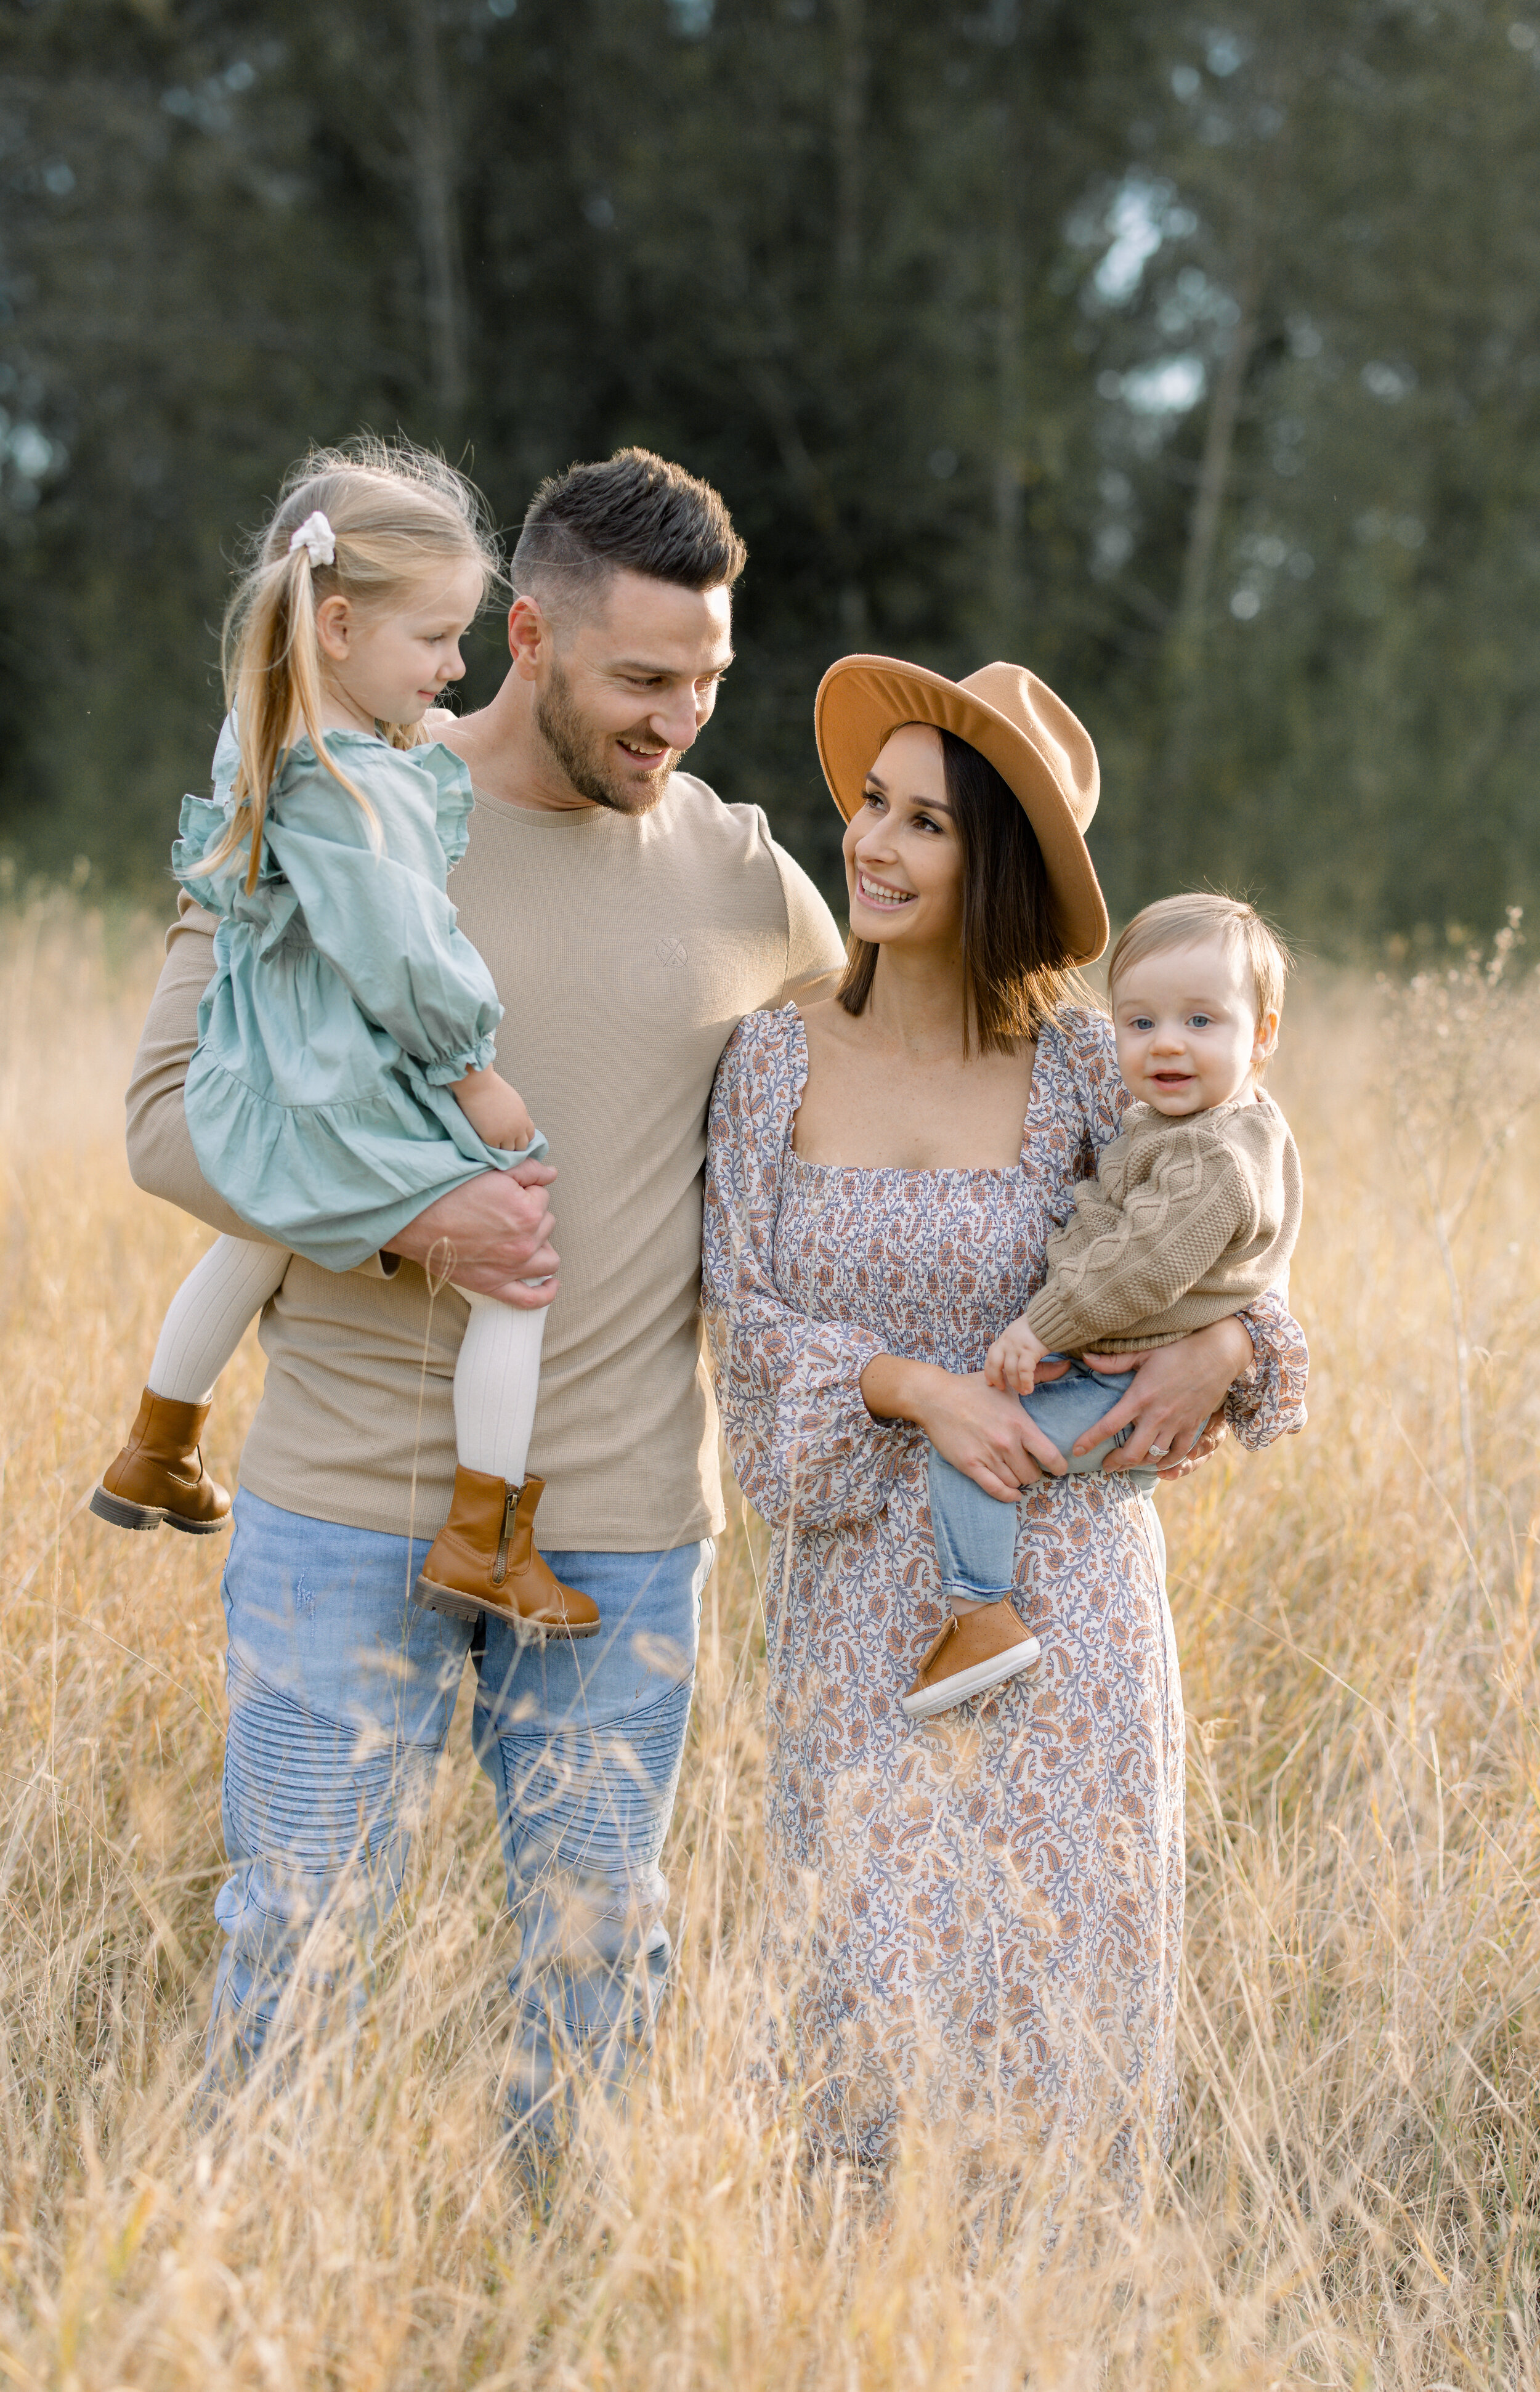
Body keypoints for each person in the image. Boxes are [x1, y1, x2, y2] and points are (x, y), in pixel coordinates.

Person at [123, 448, 845, 2123]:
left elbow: (928, 1055)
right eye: (642, 680)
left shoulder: (744, 876)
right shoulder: (337, 808)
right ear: (524, 634)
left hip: (618, 1534)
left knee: (601, 1957)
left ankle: (569, 2311)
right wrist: (410, 1221)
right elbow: (166, 1123)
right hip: (342, 1504)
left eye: (707, 681)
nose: (680, 719)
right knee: (297, 1940)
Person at [702, 654, 1307, 2202]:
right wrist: (919, 1387)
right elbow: (744, 1319)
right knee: (862, 1988)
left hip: (1070, 1611)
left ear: (1000, 870)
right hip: (860, 1615)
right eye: (869, 808)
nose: (873, 847)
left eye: (926, 824)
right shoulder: (770, 1059)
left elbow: (1238, 1240)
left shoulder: (1090, 1073)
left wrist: (1231, 1345)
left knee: (1055, 2000)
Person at [94, 439, 597, 1639]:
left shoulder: (264, 735)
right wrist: (473, 1070)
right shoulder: (349, 780)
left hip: (264, 1071)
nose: (455, 667)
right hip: (345, 1078)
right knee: (519, 1273)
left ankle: (157, 1442)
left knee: (263, 1232)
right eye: (432, 640)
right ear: (333, 626)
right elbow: (402, 951)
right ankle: (483, 1533)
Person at [909, 890, 1303, 1719]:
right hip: (1113, 1359)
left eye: (1203, 1022)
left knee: (975, 1449)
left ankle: (981, 1614)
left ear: (1262, 1035)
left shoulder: (1215, 1156)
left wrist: (1041, 1325)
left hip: (1126, 1389)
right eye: (1141, 1022)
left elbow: (1144, 1269)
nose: (1167, 1045)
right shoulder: (1191, 1124)